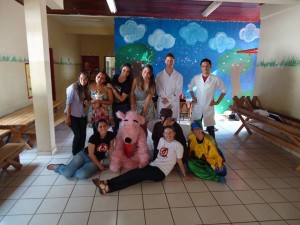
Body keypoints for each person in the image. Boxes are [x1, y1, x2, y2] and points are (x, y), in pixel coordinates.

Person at [92, 125, 192, 194]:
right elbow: (158, 155)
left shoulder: (178, 145)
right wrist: (150, 163)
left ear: (174, 133)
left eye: (170, 133)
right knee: (135, 176)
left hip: (160, 172)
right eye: (166, 133)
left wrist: (184, 174)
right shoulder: (162, 140)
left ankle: (107, 184)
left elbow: (179, 161)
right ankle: (107, 187)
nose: (168, 135)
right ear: (163, 134)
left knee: (135, 174)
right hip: (153, 166)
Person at [47, 119, 115, 179]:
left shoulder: (111, 135)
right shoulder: (93, 138)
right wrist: (99, 165)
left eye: (105, 126)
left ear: (108, 126)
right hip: (84, 155)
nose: (103, 128)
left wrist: (112, 160)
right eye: (100, 127)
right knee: (66, 173)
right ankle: (59, 167)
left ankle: (71, 169)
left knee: (82, 175)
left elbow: (111, 149)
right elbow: (91, 154)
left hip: (94, 160)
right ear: (97, 129)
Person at [188, 58, 226, 139]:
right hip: (198, 106)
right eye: (203, 66)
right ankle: (194, 145)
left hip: (208, 106)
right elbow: (190, 87)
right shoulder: (196, 78)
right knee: (195, 127)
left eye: (207, 66)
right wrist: (193, 97)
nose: (205, 68)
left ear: (210, 66)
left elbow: (224, 90)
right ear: (201, 67)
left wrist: (217, 102)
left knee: (210, 129)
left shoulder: (215, 79)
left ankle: (213, 147)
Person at [65, 72, 89, 155]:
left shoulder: (83, 88)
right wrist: (68, 117)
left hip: (82, 115)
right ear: (79, 78)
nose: (83, 80)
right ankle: (75, 153)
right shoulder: (73, 87)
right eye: (82, 78)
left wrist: (85, 103)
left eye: (85, 79)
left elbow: (81, 102)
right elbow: (69, 103)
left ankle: (81, 151)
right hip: (72, 115)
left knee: (83, 135)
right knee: (78, 135)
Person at [130, 64, 157, 134]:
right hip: (136, 105)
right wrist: (133, 107)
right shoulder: (136, 80)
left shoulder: (152, 83)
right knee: (135, 126)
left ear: (151, 74)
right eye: (144, 71)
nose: (146, 74)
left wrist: (142, 114)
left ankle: (143, 143)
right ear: (142, 71)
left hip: (147, 106)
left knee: (143, 126)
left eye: (148, 73)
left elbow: (148, 99)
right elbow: (132, 94)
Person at [156, 53, 183, 120]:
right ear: (165, 61)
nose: (169, 62)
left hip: (173, 104)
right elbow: (158, 89)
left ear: (174, 61)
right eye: (168, 60)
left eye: (171, 60)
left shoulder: (179, 76)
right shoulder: (159, 75)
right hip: (162, 103)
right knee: (161, 125)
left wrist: (169, 101)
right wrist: (166, 101)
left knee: (173, 126)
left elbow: (178, 90)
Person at [107, 63, 132, 134]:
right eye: (124, 70)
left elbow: (121, 99)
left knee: (125, 126)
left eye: (128, 72)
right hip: (114, 104)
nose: (125, 73)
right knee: (114, 125)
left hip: (124, 106)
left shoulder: (127, 83)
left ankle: (125, 142)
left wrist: (112, 88)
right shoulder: (115, 77)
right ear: (121, 69)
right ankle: (116, 141)